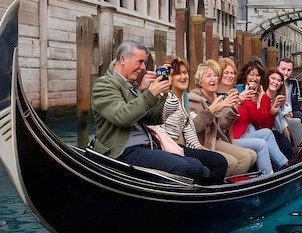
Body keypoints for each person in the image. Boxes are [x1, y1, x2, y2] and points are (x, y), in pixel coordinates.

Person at [90, 40, 205, 183]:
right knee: (188, 168)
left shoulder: (132, 86)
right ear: (123, 59)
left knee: (198, 167)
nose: (143, 68)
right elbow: (122, 117)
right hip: (121, 151)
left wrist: (162, 92)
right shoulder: (103, 85)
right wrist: (149, 93)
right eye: (140, 62)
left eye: (145, 63)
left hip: (146, 146)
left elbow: (151, 118)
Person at [160, 57, 228, 183]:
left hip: (182, 145)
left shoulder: (183, 96)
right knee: (218, 163)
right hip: (168, 147)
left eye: (185, 72)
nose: (183, 77)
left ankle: (210, 194)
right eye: (178, 74)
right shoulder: (166, 97)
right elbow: (164, 117)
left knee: (218, 160)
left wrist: (199, 147)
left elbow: (189, 127)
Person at [188, 59, 258, 177]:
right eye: (208, 76)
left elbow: (223, 124)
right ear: (200, 81)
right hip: (204, 142)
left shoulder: (218, 97)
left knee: (252, 155)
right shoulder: (193, 99)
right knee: (243, 159)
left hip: (218, 139)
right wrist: (212, 110)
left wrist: (236, 104)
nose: (213, 79)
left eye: (215, 76)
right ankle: (225, 188)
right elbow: (193, 128)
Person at [234, 57, 290, 171]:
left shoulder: (256, 93)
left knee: (268, 133)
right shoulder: (241, 92)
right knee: (262, 143)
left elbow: (263, 122)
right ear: (245, 76)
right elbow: (256, 118)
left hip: (248, 132)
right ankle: (268, 175)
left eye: (258, 75)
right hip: (237, 135)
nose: (254, 78)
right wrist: (263, 98)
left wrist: (264, 99)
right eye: (251, 74)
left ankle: (285, 163)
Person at [276, 58, 302, 146]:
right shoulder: (274, 83)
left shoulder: (293, 83)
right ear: (277, 69)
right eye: (283, 69)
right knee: (299, 116)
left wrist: (291, 112)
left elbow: (295, 101)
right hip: (279, 113)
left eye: (289, 70)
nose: (286, 73)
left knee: (299, 114)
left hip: (290, 111)